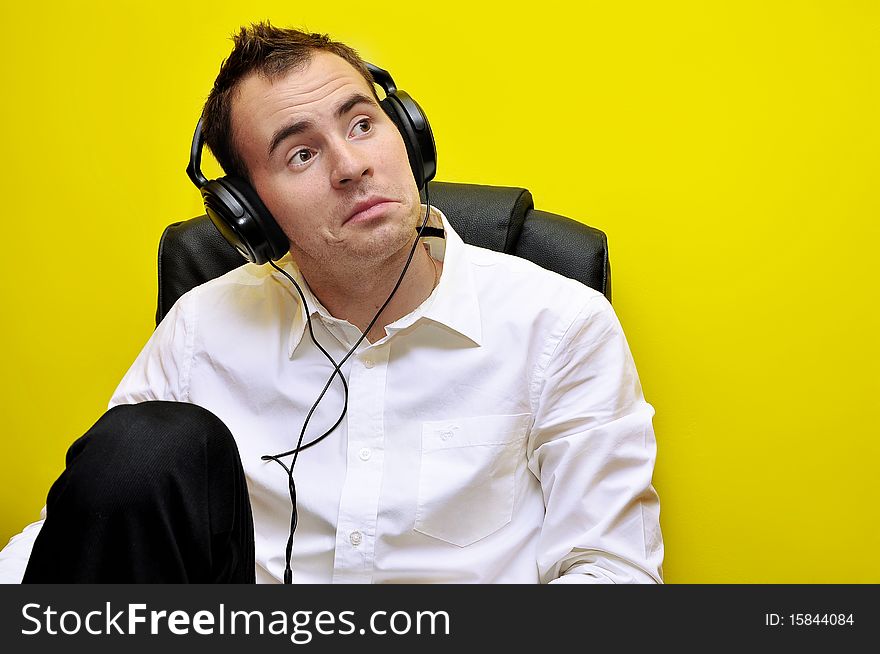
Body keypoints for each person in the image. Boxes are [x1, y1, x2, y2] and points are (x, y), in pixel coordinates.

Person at [0, 22, 663, 584]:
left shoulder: (560, 324)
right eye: (300, 154)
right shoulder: (202, 328)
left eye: (364, 123)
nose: (351, 165)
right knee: (141, 447)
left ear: (408, 133)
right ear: (251, 212)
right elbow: (90, 525)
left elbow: (612, 570)